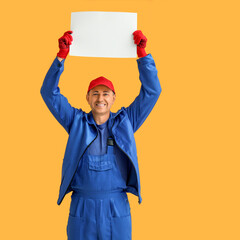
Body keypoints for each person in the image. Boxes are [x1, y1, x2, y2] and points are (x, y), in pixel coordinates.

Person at [41, 29, 162, 240]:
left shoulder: (126, 122)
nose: (100, 98)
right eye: (95, 93)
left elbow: (152, 92)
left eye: (106, 93)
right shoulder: (75, 122)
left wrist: (142, 55)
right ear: (87, 97)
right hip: (82, 208)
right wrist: (60, 57)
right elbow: (48, 93)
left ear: (114, 98)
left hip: (116, 208)